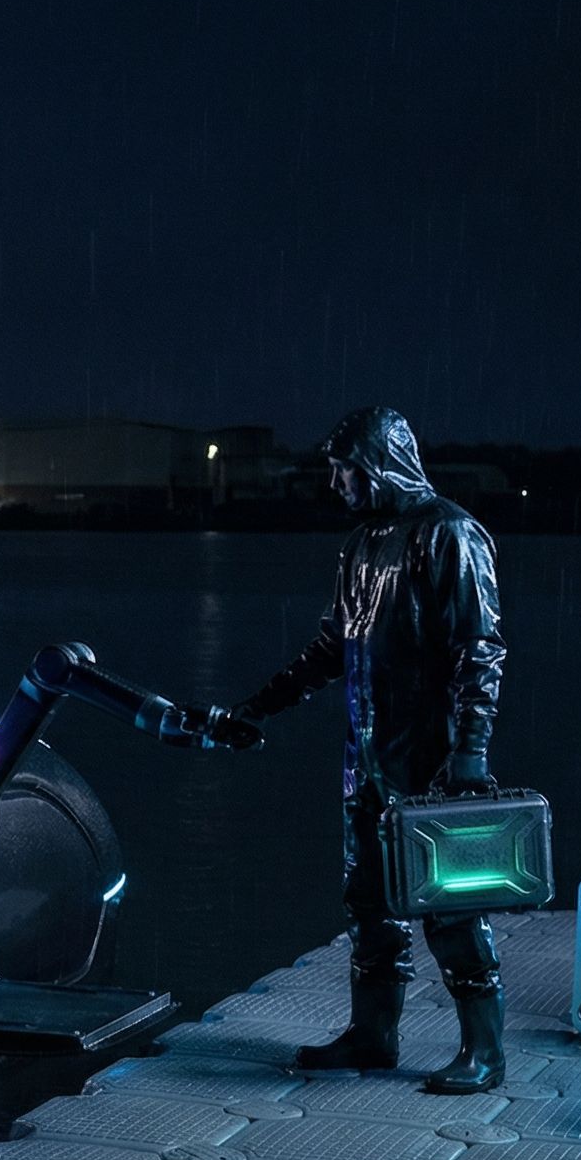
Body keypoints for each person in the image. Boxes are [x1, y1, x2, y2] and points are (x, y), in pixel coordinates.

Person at [204, 405, 509, 1094]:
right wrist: (257, 707)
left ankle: (485, 1052)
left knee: (451, 908)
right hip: (367, 760)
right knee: (369, 904)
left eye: (344, 470)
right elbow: (329, 651)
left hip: (430, 762)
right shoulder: (362, 546)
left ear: (375, 465)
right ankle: (374, 1034)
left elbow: (480, 652)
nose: (335, 484)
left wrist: (470, 752)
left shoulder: (450, 535)